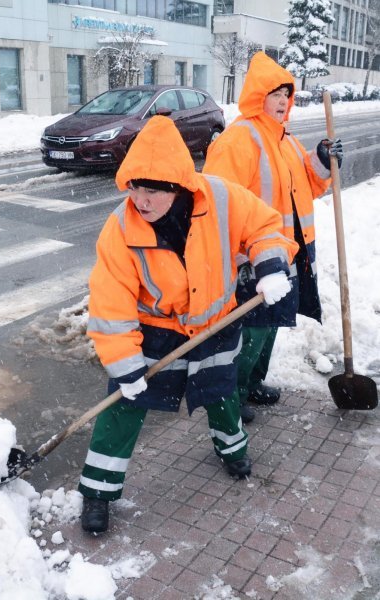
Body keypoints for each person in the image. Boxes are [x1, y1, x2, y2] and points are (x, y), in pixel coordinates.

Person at [78, 115, 298, 534]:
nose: (141, 200)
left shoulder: (221, 197)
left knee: (220, 394)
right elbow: (110, 299)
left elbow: (265, 226)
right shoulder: (121, 227)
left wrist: (270, 265)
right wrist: (124, 363)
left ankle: (232, 451)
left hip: (216, 324)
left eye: (152, 190)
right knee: (123, 407)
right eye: (135, 188)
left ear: (177, 184)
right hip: (155, 331)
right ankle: (97, 490)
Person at [203, 51, 343, 423]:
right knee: (253, 331)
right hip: (254, 259)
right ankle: (233, 393)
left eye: (287, 94)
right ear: (256, 96)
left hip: (289, 252)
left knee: (273, 324)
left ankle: (252, 383)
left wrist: (322, 159)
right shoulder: (238, 141)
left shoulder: (285, 139)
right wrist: (239, 256)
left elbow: (307, 186)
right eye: (274, 94)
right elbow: (219, 203)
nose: (282, 101)